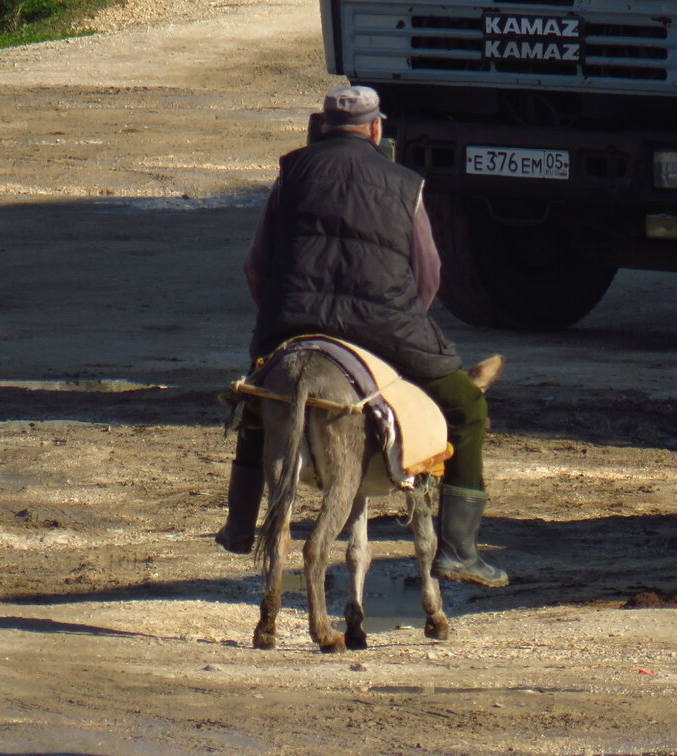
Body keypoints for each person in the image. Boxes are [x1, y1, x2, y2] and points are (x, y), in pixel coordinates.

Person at [215, 85, 507, 587]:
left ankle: (241, 524)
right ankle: (459, 550)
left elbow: (255, 267)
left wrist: (281, 322)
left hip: (294, 320)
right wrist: (404, 322)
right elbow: (428, 274)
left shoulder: (291, 173)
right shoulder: (405, 183)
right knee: (467, 409)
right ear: (377, 129)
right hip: (388, 327)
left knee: (259, 399)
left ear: (322, 126)